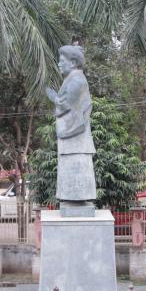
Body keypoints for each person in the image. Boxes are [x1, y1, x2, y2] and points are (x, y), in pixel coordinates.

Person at [46, 45, 96, 205]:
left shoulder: (76, 80)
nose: (59, 64)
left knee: (77, 177)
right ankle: (73, 200)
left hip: (76, 140)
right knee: (71, 178)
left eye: (62, 61)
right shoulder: (73, 79)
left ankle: (77, 200)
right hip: (73, 142)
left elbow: (63, 106)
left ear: (73, 62)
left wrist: (51, 95)